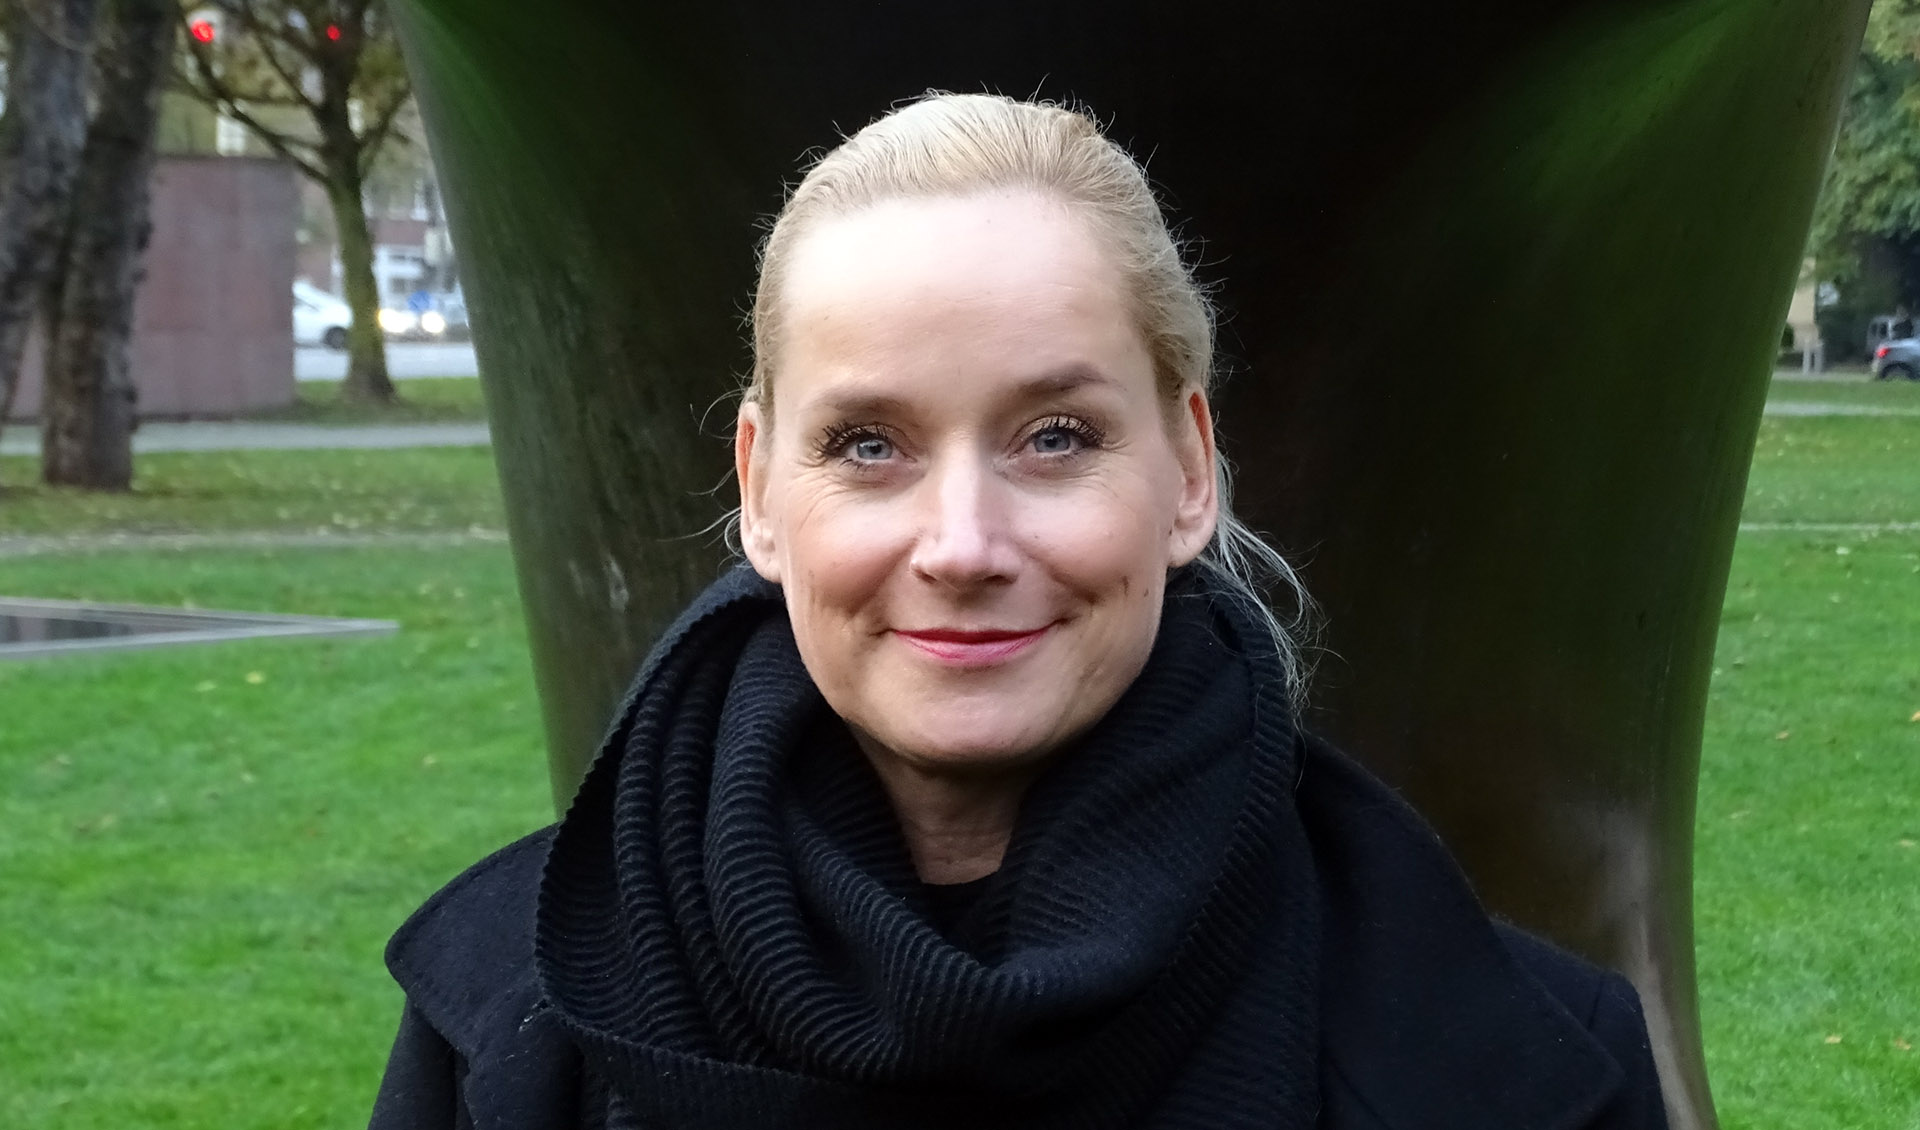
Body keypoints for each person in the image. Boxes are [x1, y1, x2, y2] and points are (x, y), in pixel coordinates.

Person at [369, 92, 1668, 1130]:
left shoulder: (1512, 1066)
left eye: (1055, 436)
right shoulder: (508, 1024)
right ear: (760, 489)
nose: (962, 545)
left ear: (1190, 471)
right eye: (869, 444)